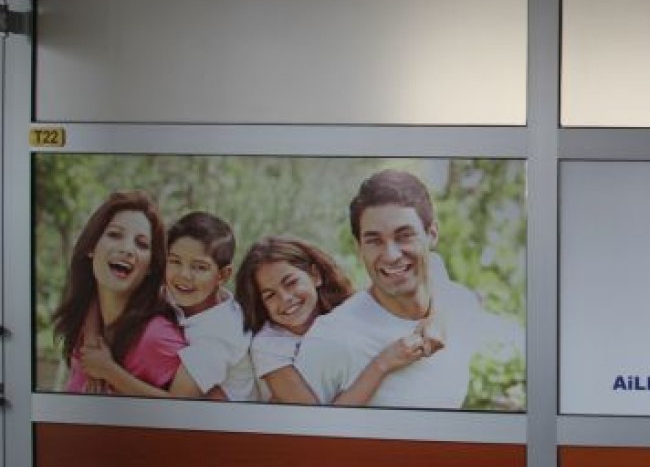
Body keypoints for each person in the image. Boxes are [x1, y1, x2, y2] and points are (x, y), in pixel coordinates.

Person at [294, 169, 514, 408]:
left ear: (432, 235)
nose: (391, 255)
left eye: (404, 235)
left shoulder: (459, 305)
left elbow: (436, 268)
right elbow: (296, 426)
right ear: (359, 247)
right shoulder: (331, 338)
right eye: (374, 240)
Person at [81, 211, 258, 401]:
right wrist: (92, 342)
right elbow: (102, 291)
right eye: (175, 261)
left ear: (222, 276)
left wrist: (107, 370)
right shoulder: (186, 294)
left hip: (225, 416)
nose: (184, 275)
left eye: (199, 267)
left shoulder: (219, 336)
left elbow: (176, 404)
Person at [235, 235, 425, 405]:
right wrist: (382, 364)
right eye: (270, 295)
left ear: (315, 275)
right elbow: (315, 420)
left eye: (291, 283)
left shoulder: (342, 313)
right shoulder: (268, 345)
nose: (285, 298)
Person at [51, 191, 185, 394]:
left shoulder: (156, 336)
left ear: (150, 266)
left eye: (141, 244)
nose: (127, 249)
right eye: (114, 235)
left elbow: (197, 406)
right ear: (91, 246)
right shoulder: (86, 324)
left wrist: (109, 371)